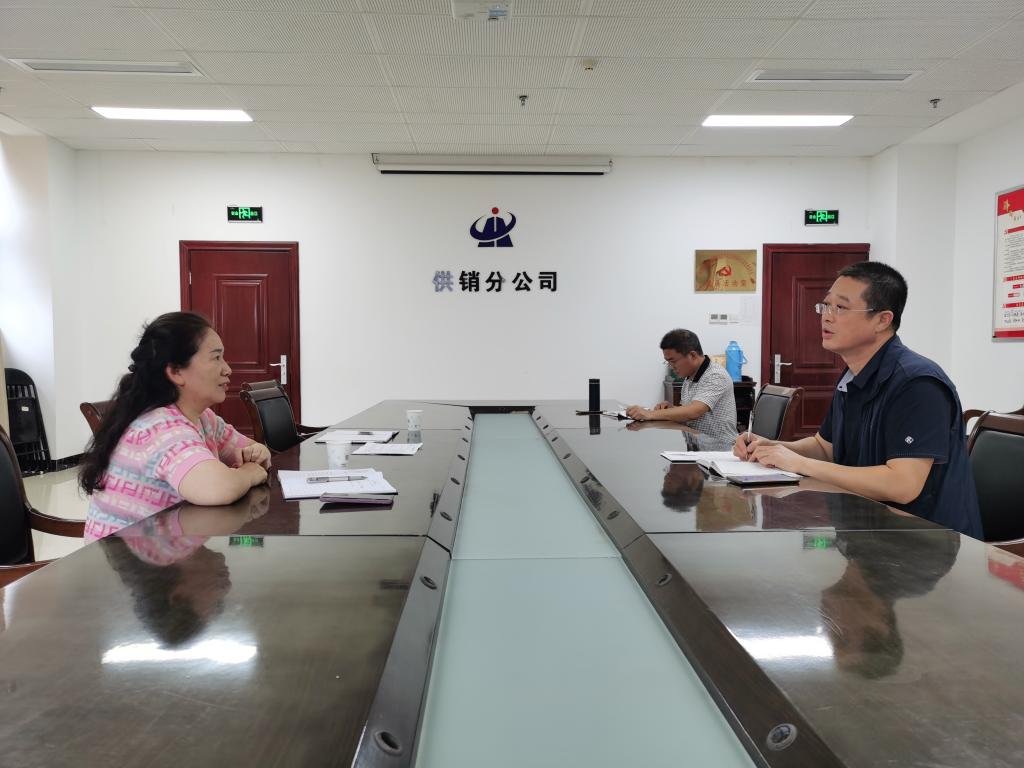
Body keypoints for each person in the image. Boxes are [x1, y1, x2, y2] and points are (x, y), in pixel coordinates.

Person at [734, 262, 983, 539]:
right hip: (866, 526)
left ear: (882, 320)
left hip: (924, 541)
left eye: (840, 307)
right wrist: (771, 448)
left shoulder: (917, 383)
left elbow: (903, 485)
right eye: (825, 306)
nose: (826, 317)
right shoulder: (853, 375)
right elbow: (825, 447)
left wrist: (799, 464)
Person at [80, 311, 271, 542]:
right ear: (176, 372)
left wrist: (256, 453)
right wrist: (249, 473)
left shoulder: (202, 418)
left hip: (163, 552)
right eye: (216, 358)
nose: (227, 369)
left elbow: (250, 449)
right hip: (122, 560)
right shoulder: (159, 426)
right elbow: (218, 488)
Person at [626, 329, 738, 450]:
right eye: (667, 362)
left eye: (673, 361)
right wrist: (672, 409)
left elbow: (694, 411)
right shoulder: (689, 377)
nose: (671, 366)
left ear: (692, 355)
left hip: (720, 449)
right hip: (697, 445)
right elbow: (689, 412)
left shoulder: (715, 375)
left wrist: (649, 414)